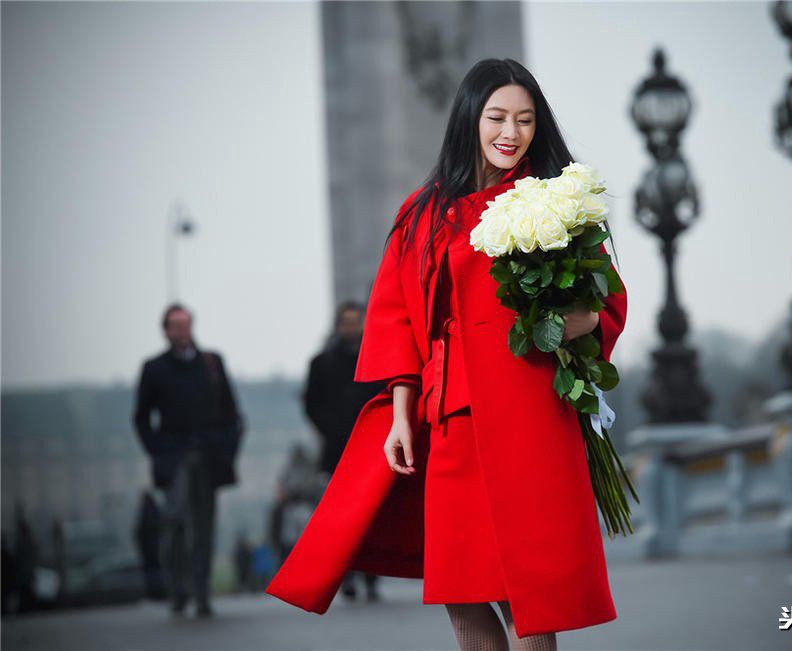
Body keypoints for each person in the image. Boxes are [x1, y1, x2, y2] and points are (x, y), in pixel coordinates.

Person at [266, 58, 628, 650]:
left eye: (525, 120)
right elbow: (396, 319)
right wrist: (401, 416)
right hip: (451, 419)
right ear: (469, 119)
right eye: (497, 117)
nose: (511, 133)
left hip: (532, 413)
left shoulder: (554, 201)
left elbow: (604, 300)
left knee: (528, 592)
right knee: (462, 589)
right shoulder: (422, 213)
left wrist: (570, 323)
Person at [132, 303, 245, 618]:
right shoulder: (154, 369)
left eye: (186, 324)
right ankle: (178, 590)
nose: (182, 330)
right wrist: (158, 450)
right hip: (174, 457)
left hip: (207, 456)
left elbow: (232, 413)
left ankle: (201, 593)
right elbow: (141, 417)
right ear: (166, 331)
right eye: (176, 325)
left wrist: (227, 448)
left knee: (204, 528)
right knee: (175, 523)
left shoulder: (211, 363)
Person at [302, 301, 385, 601]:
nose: (352, 328)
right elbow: (311, 404)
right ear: (338, 326)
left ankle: (371, 576)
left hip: (372, 447)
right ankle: (346, 575)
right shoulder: (321, 363)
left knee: (372, 515)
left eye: (356, 321)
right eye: (347, 322)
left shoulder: (378, 357)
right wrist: (331, 429)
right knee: (340, 518)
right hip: (337, 449)